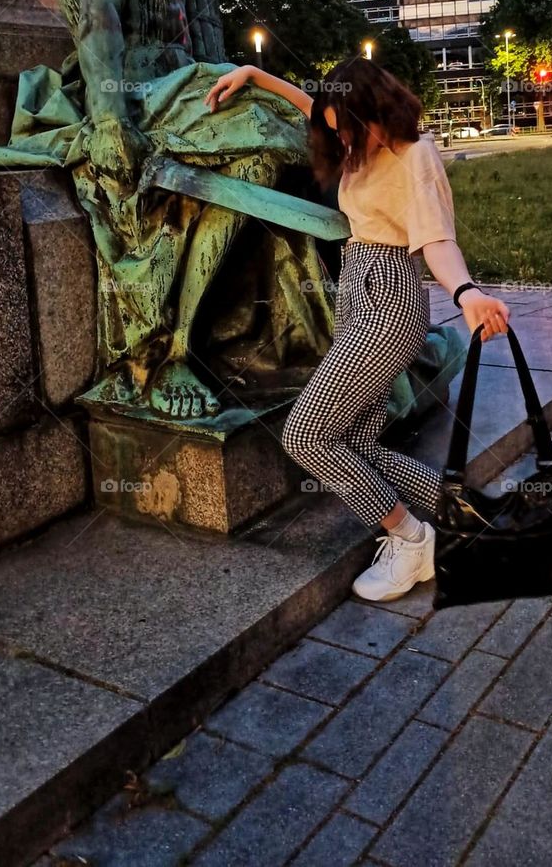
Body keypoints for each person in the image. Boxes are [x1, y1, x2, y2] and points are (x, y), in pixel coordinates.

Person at [205, 55, 509, 601]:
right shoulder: (352, 137)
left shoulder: (414, 156)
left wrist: (466, 294)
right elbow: (311, 105)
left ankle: (412, 539)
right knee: (358, 442)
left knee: (306, 434)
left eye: (345, 124)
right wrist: (253, 74)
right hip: (357, 291)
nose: (339, 137)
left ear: (373, 108)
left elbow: (437, 240)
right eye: (333, 126)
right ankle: (463, 512)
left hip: (390, 299)